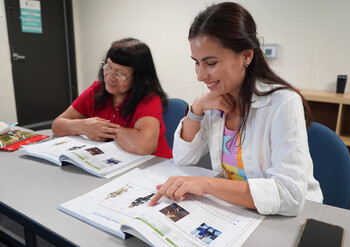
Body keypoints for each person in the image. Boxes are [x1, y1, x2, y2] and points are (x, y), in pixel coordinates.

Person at [149, 2, 323, 215]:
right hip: (236, 211)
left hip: (285, 216)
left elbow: (289, 195)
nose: (200, 76)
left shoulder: (283, 103)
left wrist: (206, 185)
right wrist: (196, 109)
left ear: (246, 56)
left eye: (210, 63)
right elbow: (183, 159)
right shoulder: (217, 100)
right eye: (196, 62)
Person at [52, 38, 172, 158]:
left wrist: (104, 129)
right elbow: (57, 126)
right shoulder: (96, 91)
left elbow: (144, 145)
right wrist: (83, 126)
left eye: (120, 73)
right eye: (108, 67)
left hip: (153, 168)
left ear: (138, 78)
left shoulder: (149, 99)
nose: (110, 77)